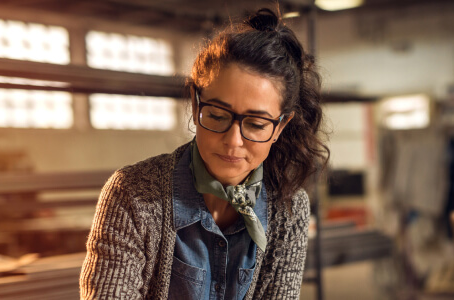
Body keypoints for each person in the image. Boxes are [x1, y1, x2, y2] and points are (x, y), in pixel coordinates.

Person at [79, 8, 329, 300]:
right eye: (218, 115)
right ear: (197, 106)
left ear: (280, 127)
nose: (233, 141)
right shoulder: (132, 195)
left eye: (257, 124)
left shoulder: (288, 208)